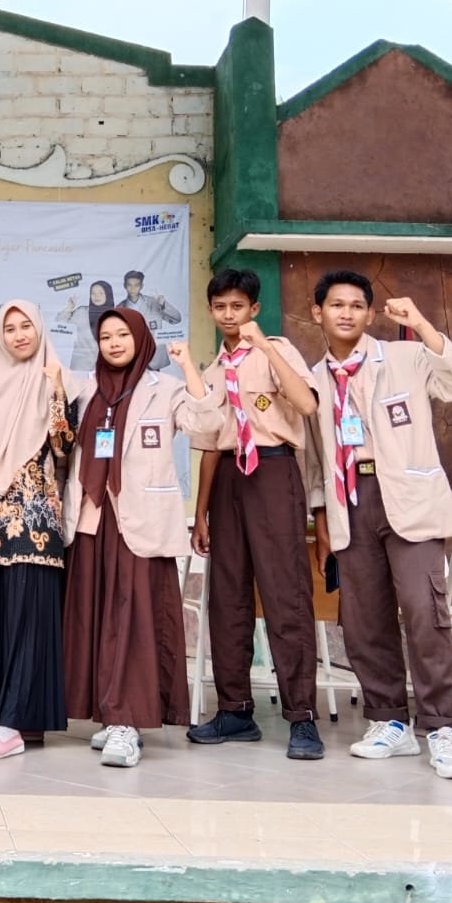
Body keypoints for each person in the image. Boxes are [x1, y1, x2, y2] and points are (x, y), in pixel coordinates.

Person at [304, 269, 452, 780]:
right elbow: (313, 460)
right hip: (349, 502)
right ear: (318, 313)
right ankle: (389, 722)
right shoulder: (313, 379)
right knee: (364, 619)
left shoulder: (404, 356)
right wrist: (321, 521)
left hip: (409, 498)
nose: (346, 313)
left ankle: (441, 727)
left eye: (357, 305)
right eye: (336, 305)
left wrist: (421, 323)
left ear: (369, 313)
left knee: (424, 610)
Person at [61, 309, 223, 768]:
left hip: (140, 522)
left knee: (132, 621)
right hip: (91, 519)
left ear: (141, 339)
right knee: (96, 619)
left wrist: (188, 367)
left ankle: (126, 721)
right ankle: (109, 713)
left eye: (122, 334)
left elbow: (207, 426)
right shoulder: (84, 388)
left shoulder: (164, 388)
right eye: (105, 336)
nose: (114, 343)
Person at [187, 268, 323, 760]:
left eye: (238, 306)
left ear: (254, 309)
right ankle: (234, 710)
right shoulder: (212, 370)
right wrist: (201, 512)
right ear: (211, 310)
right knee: (227, 597)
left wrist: (264, 346)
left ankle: (301, 716)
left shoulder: (277, 351)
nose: (229, 315)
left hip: (272, 471)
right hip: (228, 478)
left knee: (286, 593)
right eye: (220, 306)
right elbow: (209, 444)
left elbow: (307, 404)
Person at [0, 300, 75, 760]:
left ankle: (11, 726)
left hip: (35, 521)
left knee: (29, 617)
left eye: (27, 326)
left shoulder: (56, 378)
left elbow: (64, 447)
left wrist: (57, 389)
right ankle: (13, 718)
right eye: (10, 328)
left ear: (40, 330)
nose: (20, 335)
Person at [56, 279, 116, 371]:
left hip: (107, 368)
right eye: (93, 293)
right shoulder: (82, 313)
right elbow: (60, 324)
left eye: (100, 293)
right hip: (81, 368)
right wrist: (69, 308)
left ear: (108, 295)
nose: (96, 296)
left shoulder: (116, 316)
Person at [120, 269, 184, 332]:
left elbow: (177, 319)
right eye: (129, 285)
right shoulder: (119, 309)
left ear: (141, 286)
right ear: (124, 286)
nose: (132, 289)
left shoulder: (154, 303)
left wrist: (163, 305)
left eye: (136, 285)